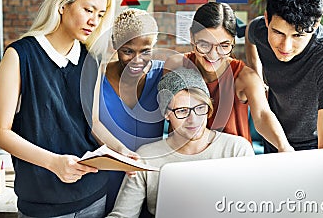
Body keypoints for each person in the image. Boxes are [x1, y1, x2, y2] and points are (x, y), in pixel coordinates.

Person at [0, 0, 133, 218]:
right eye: (88, 10)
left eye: (100, 14)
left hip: (94, 197)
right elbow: (0, 132)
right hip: (43, 203)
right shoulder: (19, 56)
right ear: (62, 5)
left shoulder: (91, 60)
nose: (94, 21)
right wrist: (53, 163)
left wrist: (120, 150)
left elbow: (94, 123)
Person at [106, 67, 254, 218]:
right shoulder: (146, 157)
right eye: (182, 111)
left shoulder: (237, 149)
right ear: (166, 114)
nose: (193, 119)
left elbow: (253, 208)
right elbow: (122, 214)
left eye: (200, 108)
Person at [164, 2, 293, 152]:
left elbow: (263, 115)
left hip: (232, 161)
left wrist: (284, 147)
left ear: (232, 41)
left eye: (224, 46)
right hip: (184, 160)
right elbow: (165, 112)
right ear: (192, 37)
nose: (213, 54)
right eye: (204, 45)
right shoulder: (176, 66)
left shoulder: (245, 77)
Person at [245, 0, 323, 152]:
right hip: (273, 138)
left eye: (297, 36)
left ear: (315, 26)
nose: (285, 47)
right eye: (278, 32)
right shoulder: (261, 31)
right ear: (266, 20)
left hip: (313, 146)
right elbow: (250, 33)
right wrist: (257, 78)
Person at [99, 8, 165, 214]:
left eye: (145, 51)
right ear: (115, 45)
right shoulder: (96, 77)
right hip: (103, 183)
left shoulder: (163, 74)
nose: (137, 60)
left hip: (150, 181)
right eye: (128, 51)